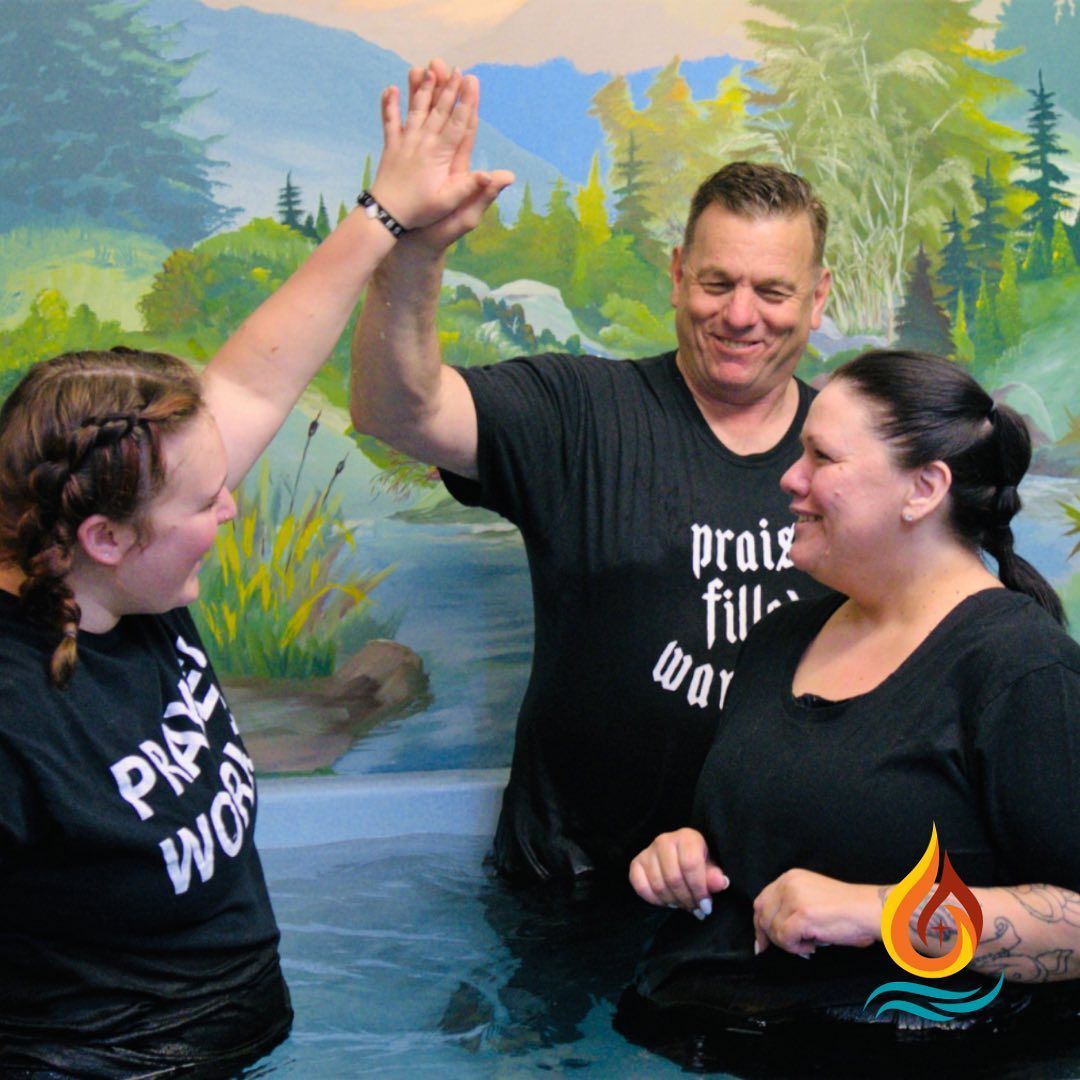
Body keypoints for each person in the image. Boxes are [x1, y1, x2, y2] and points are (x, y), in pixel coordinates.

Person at [0, 69, 511, 1078]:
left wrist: (387, 215)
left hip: (239, 1045)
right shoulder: (16, 718)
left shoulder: (110, 532)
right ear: (106, 540)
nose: (228, 505)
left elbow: (250, 374)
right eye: (205, 504)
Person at [351, 78, 836, 885]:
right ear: (678, 275)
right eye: (718, 283)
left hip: (771, 892)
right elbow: (396, 410)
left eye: (773, 291)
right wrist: (414, 249)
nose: (742, 315)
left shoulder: (847, 458)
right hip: (571, 890)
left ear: (817, 299)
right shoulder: (580, 411)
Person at [620, 349, 1080, 1075]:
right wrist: (684, 853)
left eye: (821, 456)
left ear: (923, 489)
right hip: (696, 1035)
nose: (790, 479)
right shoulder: (780, 639)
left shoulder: (1021, 669)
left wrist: (882, 911)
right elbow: (774, 831)